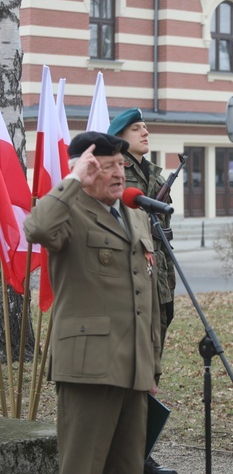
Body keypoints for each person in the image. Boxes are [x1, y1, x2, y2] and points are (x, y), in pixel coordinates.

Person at [24, 132, 162, 473]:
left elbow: (148, 293)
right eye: (106, 166)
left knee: (128, 466)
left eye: (121, 164)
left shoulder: (135, 212)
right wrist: (73, 180)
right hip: (89, 369)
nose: (119, 173)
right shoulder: (70, 211)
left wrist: (151, 363)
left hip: (134, 369)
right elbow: (36, 228)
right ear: (84, 171)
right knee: (82, 466)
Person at [108, 108, 177, 474]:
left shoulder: (153, 173)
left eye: (146, 126)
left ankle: (140, 451)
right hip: (134, 285)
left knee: (152, 372)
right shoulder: (117, 174)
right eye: (137, 128)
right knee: (134, 373)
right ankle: (132, 455)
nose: (146, 132)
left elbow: (163, 225)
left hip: (161, 284)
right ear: (120, 137)